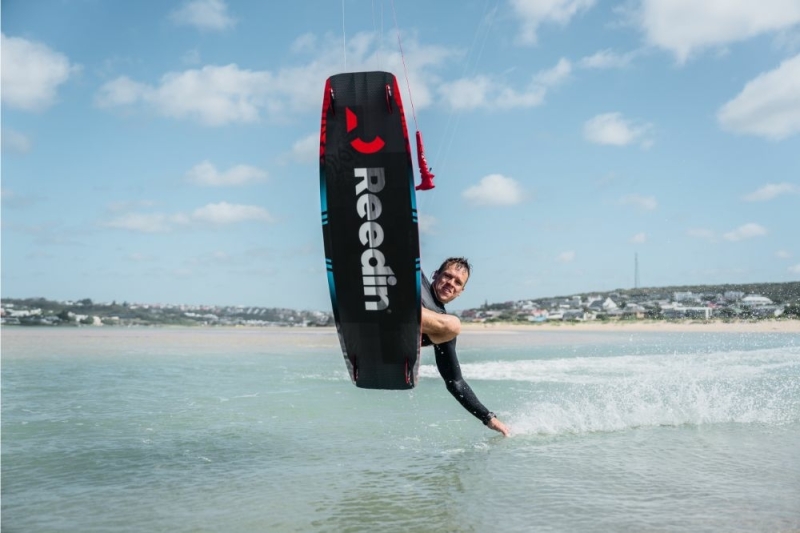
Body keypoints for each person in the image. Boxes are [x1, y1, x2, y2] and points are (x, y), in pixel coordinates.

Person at [420, 257, 511, 437]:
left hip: (393, 334)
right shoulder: (418, 282)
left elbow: (455, 382)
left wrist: (489, 418)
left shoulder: (443, 331)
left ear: (461, 291)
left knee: (451, 327)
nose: (450, 284)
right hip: (390, 303)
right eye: (447, 276)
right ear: (435, 275)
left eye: (457, 282)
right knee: (453, 325)